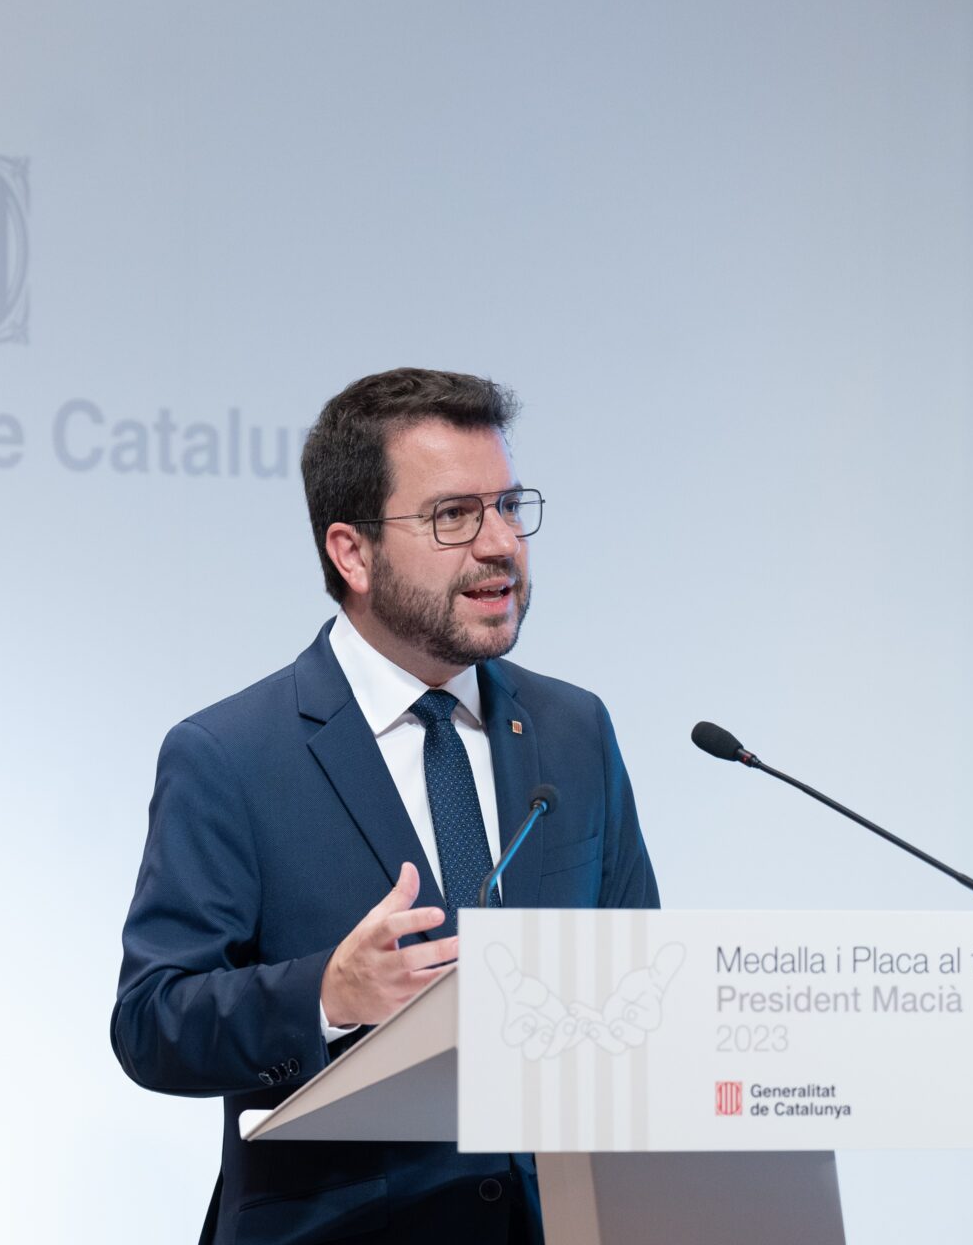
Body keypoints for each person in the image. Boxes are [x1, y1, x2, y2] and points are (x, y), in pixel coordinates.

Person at [111, 368, 659, 1244]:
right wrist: (326, 994)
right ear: (352, 553)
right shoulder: (231, 755)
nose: (501, 544)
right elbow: (151, 1023)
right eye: (454, 516)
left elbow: (641, 989)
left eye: (508, 507)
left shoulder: (573, 729)